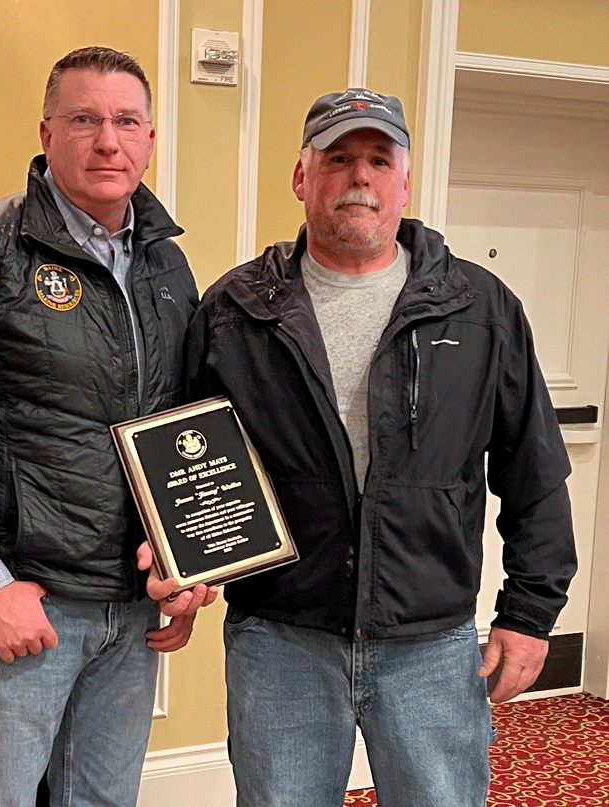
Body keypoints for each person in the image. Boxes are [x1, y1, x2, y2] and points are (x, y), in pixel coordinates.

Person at [184, 88, 577, 807]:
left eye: (376, 158)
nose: (359, 176)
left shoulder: (483, 309)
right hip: (280, 639)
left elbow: (536, 470)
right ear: (303, 178)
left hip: (432, 644)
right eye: (338, 158)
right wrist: (181, 570)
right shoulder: (234, 310)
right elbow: (181, 460)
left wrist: (529, 613)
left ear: (404, 180)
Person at [0, 46, 213, 807]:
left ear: (151, 138)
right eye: (84, 119)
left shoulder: (168, 268)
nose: (108, 140)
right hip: (27, 603)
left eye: (127, 121)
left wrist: (186, 565)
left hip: (132, 611)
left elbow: (180, 432)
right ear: (46, 132)